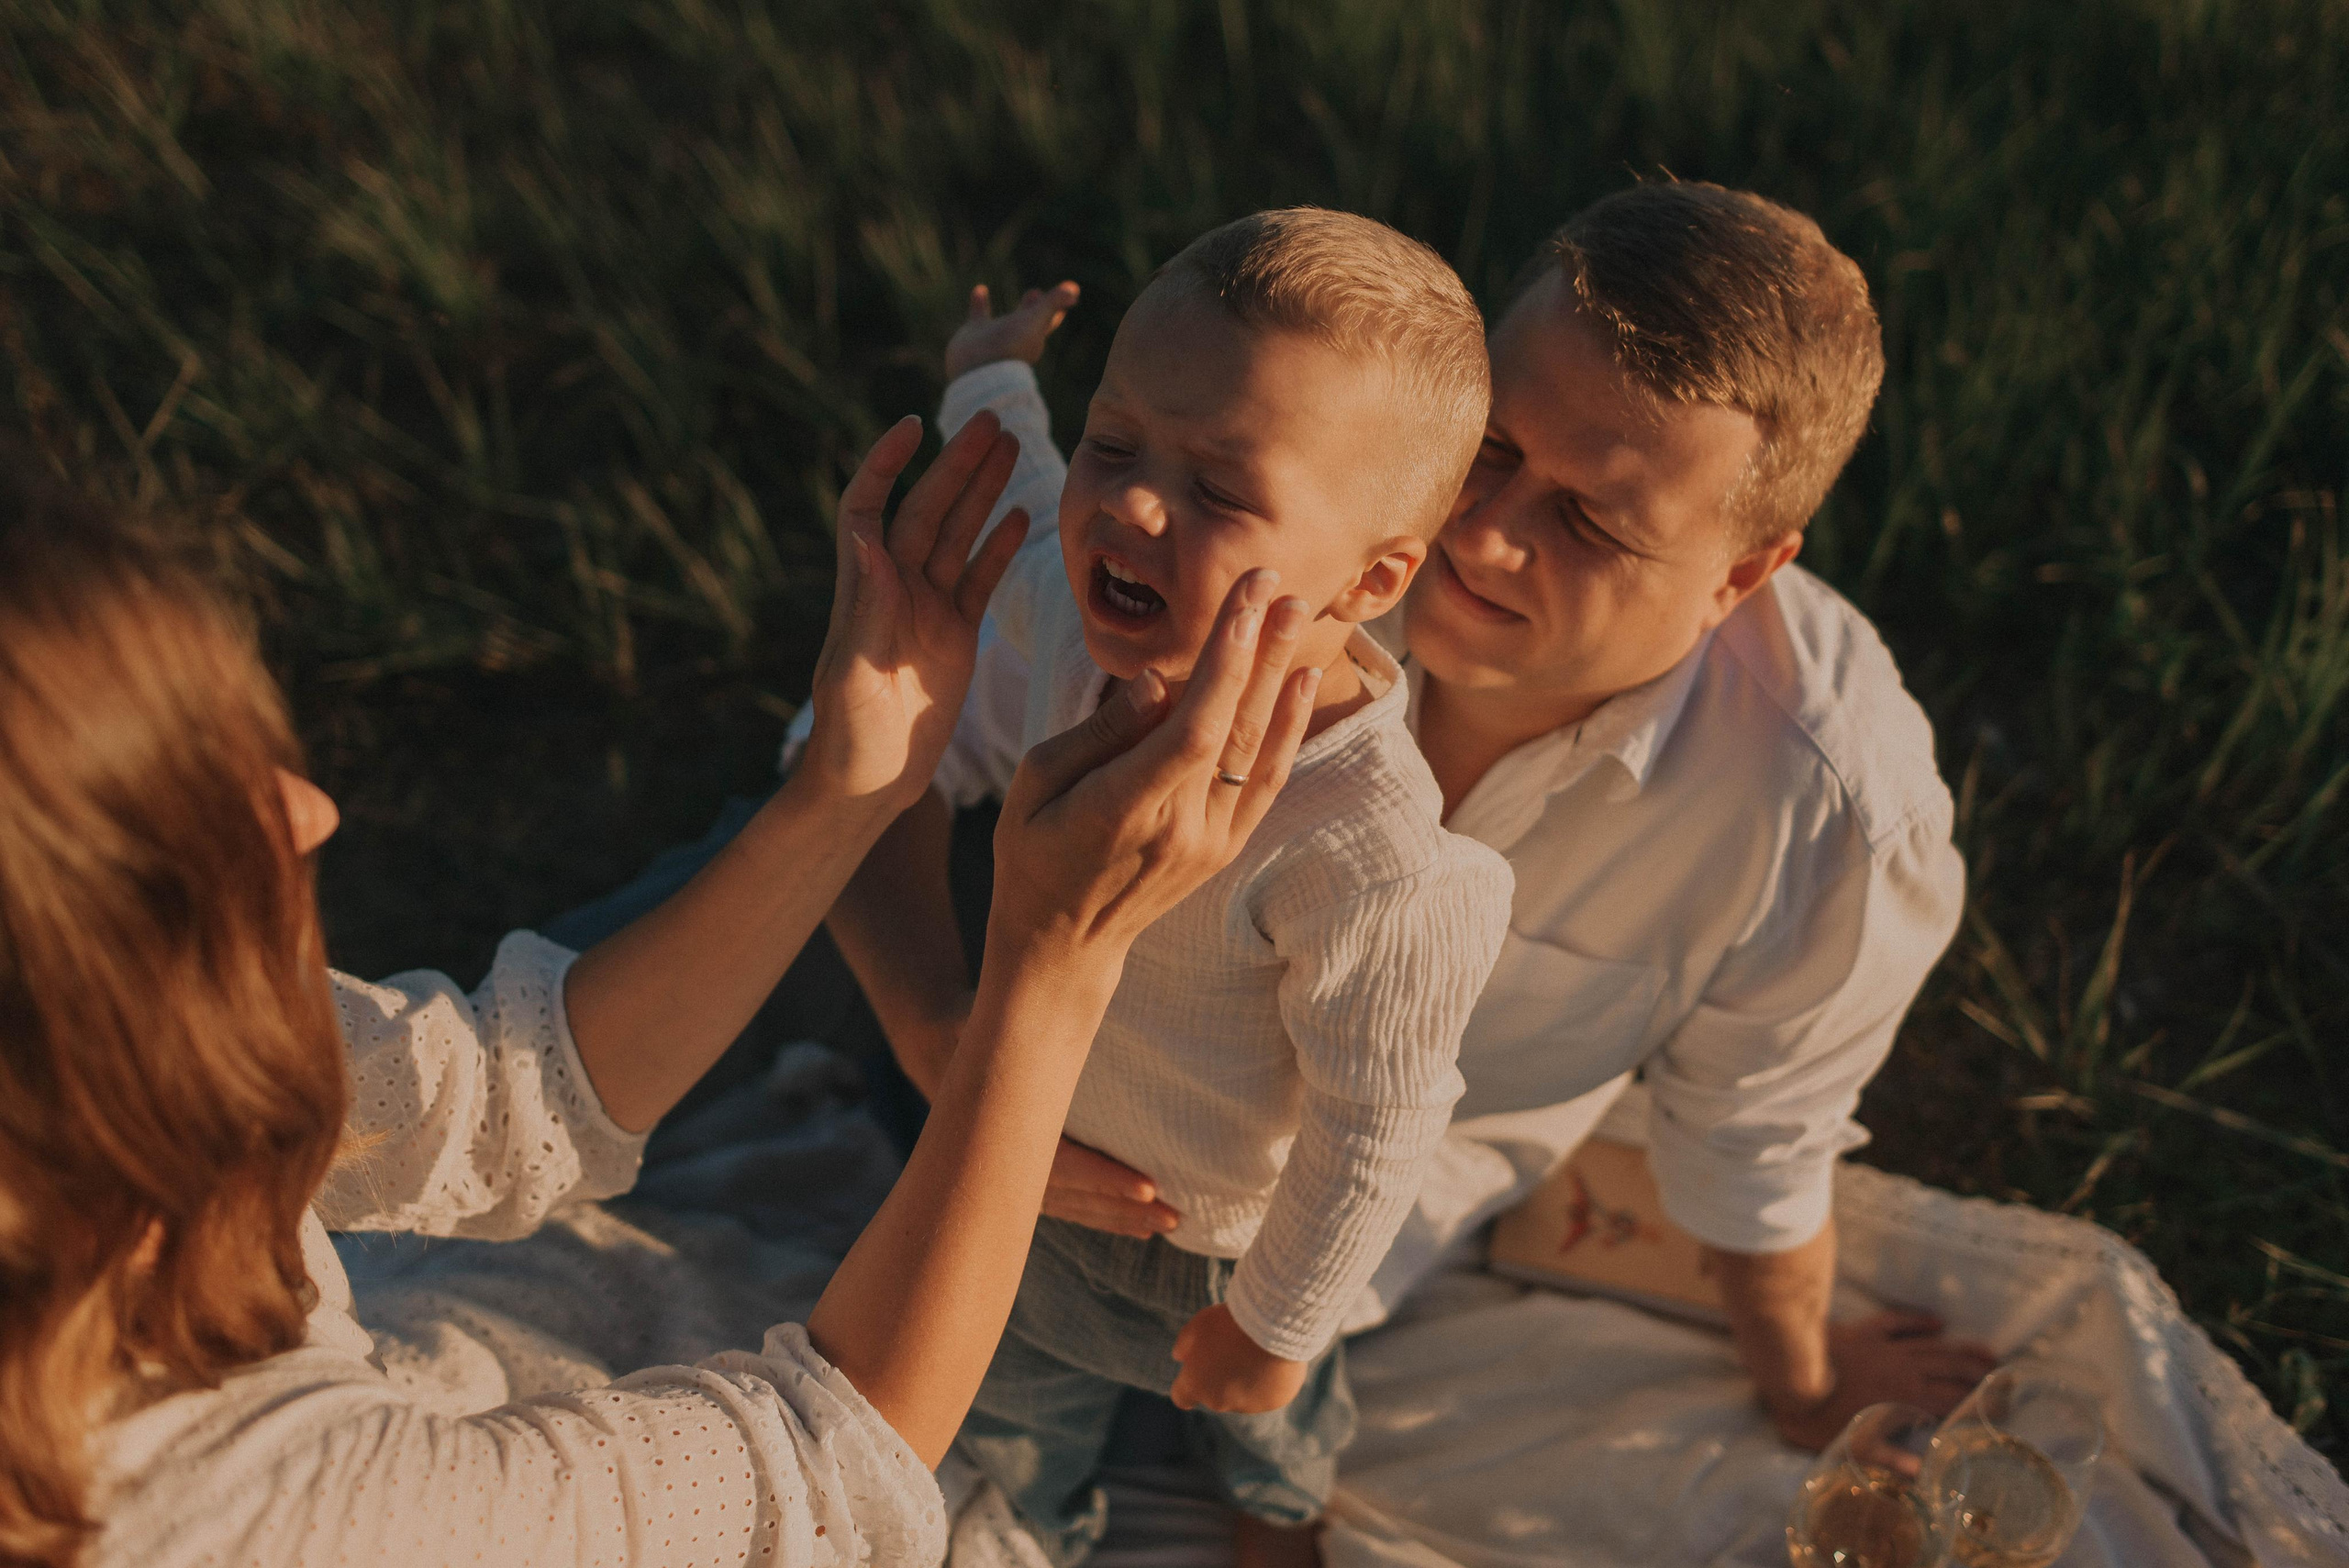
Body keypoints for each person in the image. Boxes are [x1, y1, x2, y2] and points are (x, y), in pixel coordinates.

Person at [853, 180, 1997, 1518]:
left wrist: (1802, 1385)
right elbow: (878, 758)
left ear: (1744, 574)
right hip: (1000, 1062)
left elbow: (1756, 1143)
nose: (1486, 535)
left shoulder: (1833, 816)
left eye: (1592, 521)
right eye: (1494, 451)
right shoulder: (1284, 526)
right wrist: (936, 1032)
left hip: (1306, 1257)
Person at [0, 417, 1320, 1568]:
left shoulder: (63, 1111)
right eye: (205, 813)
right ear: (78, 1000)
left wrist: (847, 791)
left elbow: (492, 1096)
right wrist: (1053, 964)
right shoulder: (257, 1517)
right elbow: (829, 1467)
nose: (311, 808)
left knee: (778, 886)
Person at [817, 208, 1515, 1566]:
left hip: (1234, 1237)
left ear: (1370, 581)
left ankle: (1275, 1513)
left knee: (1270, 1421)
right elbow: (1024, 481)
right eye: (1120, 442)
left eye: (1221, 489)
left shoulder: (1369, 848)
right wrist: (991, 368)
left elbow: (1375, 1122)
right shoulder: (1063, 610)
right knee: (1011, 1415)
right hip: (1036, 1172)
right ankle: (1034, 1529)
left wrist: (1275, 1327)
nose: (1132, 504)